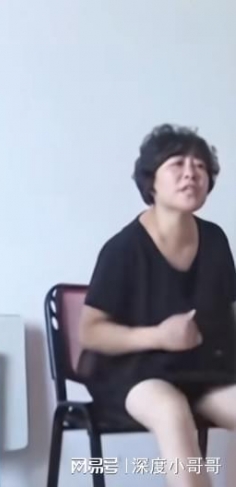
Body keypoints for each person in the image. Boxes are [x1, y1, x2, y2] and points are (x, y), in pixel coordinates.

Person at [78, 124, 236, 487]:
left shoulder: (215, 239)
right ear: (152, 181)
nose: (191, 173)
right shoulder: (123, 249)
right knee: (171, 411)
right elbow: (90, 331)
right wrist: (159, 337)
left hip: (203, 371)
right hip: (136, 372)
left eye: (200, 166)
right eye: (177, 164)